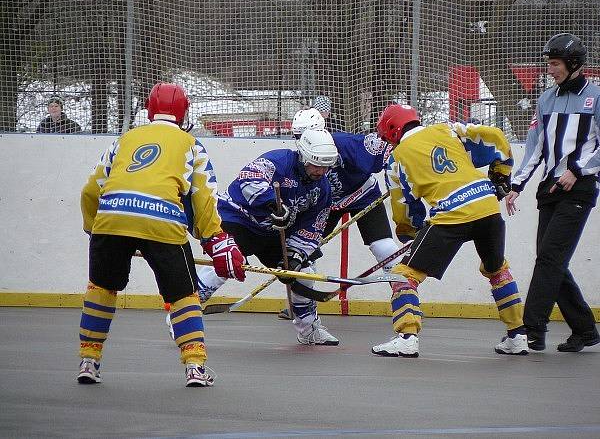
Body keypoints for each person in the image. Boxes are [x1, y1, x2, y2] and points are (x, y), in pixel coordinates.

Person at [77, 82, 246, 387]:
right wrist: (214, 240)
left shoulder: (125, 139)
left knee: (101, 289)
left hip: (112, 218)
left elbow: (92, 187)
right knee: (184, 296)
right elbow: (204, 197)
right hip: (163, 222)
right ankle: (194, 366)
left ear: (150, 109)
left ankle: (89, 361)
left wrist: (94, 226)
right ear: (185, 112)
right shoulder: (191, 144)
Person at [372, 103, 528, 357]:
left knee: (403, 274)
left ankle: (406, 337)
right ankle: (518, 335)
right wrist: (500, 175)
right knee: (496, 269)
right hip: (487, 206)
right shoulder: (447, 129)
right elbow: (496, 137)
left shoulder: (396, 159)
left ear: (392, 131)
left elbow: (404, 208)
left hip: (450, 215)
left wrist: (410, 234)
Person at [174, 128, 340, 345]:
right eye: (316, 164)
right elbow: (248, 179)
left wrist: (296, 254)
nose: (321, 171)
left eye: (326, 166)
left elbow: (314, 226)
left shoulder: (323, 188)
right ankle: (181, 319)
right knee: (227, 260)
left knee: (303, 272)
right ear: (304, 156)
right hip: (239, 218)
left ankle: (308, 329)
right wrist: (272, 203)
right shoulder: (278, 160)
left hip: (273, 233)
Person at [505, 33, 600, 353]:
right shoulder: (545, 99)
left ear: (574, 64)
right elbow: (536, 147)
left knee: (549, 258)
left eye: (555, 64)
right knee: (551, 259)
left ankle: (531, 327)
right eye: (549, 64)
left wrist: (579, 170)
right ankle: (585, 330)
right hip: (550, 187)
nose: (550, 69)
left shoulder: (596, 97)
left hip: (580, 187)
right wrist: (516, 184)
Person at [276, 107, 404, 320]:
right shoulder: (297, 159)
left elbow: (388, 152)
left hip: (363, 195)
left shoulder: (345, 143)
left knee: (384, 246)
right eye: (297, 137)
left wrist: (402, 176)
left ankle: (405, 300)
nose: (302, 141)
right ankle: (301, 304)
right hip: (325, 203)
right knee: (302, 248)